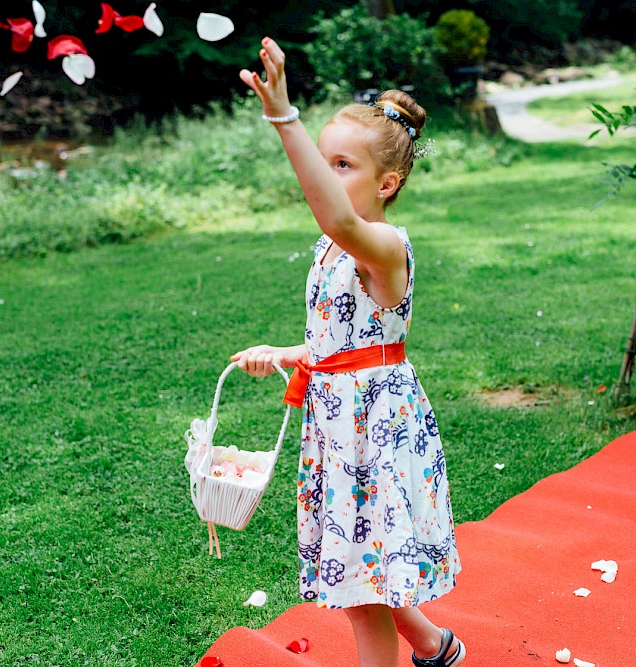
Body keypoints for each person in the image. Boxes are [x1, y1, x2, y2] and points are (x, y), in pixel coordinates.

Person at [228, 38, 465, 667]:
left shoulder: (381, 245)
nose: (329, 179)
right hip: (337, 422)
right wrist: (285, 353)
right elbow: (340, 339)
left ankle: (423, 647)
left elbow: (337, 219)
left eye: (343, 166)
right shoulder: (331, 250)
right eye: (325, 163)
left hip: (377, 430)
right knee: (366, 568)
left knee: (363, 587)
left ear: (387, 183)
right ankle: (435, 646)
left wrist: (285, 117)